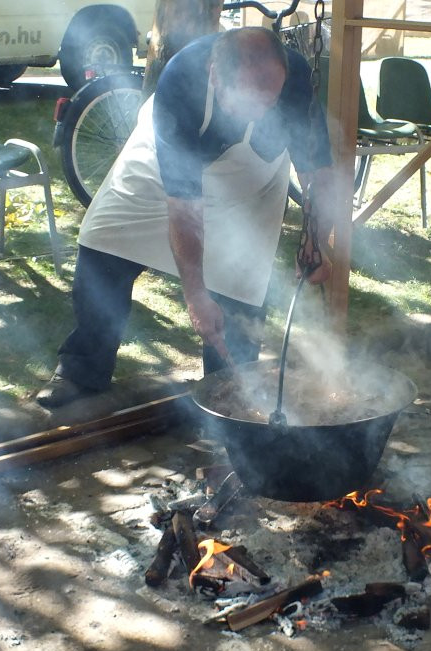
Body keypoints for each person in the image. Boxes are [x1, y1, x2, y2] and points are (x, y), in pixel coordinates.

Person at [36, 26, 336, 408]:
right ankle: (83, 367)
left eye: (268, 101)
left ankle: (229, 385)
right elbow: (182, 206)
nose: (260, 111)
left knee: (242, 279)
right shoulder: (182, 82)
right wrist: (195, 294)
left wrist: (317, 241)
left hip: (251, 178)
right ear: (214, 75)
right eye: (248, 101)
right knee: (103, 242)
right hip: (160, 174)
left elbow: (318, 173)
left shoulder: (291, 78)